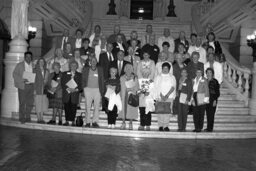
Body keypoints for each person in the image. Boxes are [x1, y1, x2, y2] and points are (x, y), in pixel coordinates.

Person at [82, 57, 105, 128]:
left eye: (95, 61)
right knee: (87, 106)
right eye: (92, 61)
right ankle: (88, 122)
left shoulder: (100, 69)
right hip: (88, 89)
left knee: (96, 106)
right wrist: (84, 88)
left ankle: (95, 121)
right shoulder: (86, 69)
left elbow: (102, 80)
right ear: (90, 62)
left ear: (96, 62)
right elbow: (83, 79)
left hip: (97, 90)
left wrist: (102, 90)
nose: (93, 62)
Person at [13, 51, 35, 123]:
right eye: (27, 56)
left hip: (31, 86)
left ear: (31, 58)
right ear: (24, 57)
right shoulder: (20, 65)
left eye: (30, 57)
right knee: (22, 102)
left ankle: (28, 117)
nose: (28, 58)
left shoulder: (33, 65)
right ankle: (22, 117)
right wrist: (22, 80)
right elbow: (14, 74)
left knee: (30, 103)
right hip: (23, 86)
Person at [154, 62, 176, 131]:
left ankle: (166, 126)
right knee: (160, 112)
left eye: (167, 68)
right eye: (164, 68)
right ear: (162, 69)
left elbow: (173, 87)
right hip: (160, 97)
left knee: (167, 112)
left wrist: (167, 95)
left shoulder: (172, 77)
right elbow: (155, 87)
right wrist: (161, 95)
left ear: (169, 69)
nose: (165, 70)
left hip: (169, 97)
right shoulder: (158, 77)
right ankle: (160, 125)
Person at [137, 51, 156, 131]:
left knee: (148, 108)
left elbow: (153, 73)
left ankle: (148, 124)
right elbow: (138, 72)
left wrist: (148, 81)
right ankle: (142, 124)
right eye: (144, 54)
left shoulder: (152, 62)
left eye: (147, 54)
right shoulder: (140, 63)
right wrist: (142, 81)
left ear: (149, 55)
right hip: (141, 88)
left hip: (150, 89)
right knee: (142, 109)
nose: (145, 56)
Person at [61, 60, 82, 126]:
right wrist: (68, 89)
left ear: (77, 67)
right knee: (67, 108)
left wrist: (75, 90)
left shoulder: (79, 75)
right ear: (70, 66)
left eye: (75, 65)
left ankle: (72, 121)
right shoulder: (65, 73)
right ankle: (67, 121)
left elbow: (81, 85)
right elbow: (62, 83)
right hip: (67, 93)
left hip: (74, 94)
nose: (73, 67)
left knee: (73, 108)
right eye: (72, 65)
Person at [119, 64, 139, 130]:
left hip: (131, 96)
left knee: (131, 109)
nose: (128, 69)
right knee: (123, 109)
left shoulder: (135, 78)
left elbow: (137, 87)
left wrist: (130, 89)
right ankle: (123, 123)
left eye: (130, 68)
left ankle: (130, 123)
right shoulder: (122, 77)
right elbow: (119, 87)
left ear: (132, 69)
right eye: (127, 68)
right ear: (124, 69)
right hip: (123, 95)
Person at [34, 58, 49, 124]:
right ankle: (38, 118)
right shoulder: (34, 70)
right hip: (37, 89)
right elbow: (33, 81)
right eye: (40, 61)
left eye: (43, 61)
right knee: (38, 103)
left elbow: (47, 80)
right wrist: (34, 90)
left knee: (42, 104)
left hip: (44, 89)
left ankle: (42, 118)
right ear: (38, 62)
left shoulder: (47, 70)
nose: (41, 63)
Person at [205, 67, 220, 132]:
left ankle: (210, 128)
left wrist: (214, 100)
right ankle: (208, 127)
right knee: (208, 114)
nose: (208, 74)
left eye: (210, 72)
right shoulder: (205, 80)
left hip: (212, 99)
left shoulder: (215, 81)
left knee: (211, 115)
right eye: (207, 72)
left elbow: (217, 92)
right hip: (206, 99)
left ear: (212, 74)